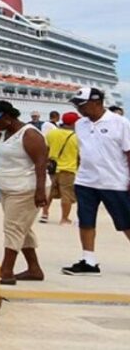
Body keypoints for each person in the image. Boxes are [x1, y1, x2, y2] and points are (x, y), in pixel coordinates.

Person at [61, 88, 130, 276]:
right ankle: (89, 261)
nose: (79, 109)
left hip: (114, 181)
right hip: (86, 181)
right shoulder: (80, 124)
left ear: (97, 102)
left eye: (81, 105)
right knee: (86, 220)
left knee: (126, 222)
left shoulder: (120, 123)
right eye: (76, 105)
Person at [0, 100, 48, 285]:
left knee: (12, 228)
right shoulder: (4, 134)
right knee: (22, 228)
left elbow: (41, 163)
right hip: (7, 188)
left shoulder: (29, 134)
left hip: (25, 189)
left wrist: (40, 191)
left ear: (8, 117)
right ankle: (34, 269)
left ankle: (7, 270)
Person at [43, 112, 80, 225]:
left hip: (52, 168)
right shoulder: (77, 137)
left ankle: (44, 214)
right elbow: (80, 156)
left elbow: (45, 149)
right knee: (66, 195)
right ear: (74, 123)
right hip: (68, 170)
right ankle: (64, 218)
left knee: (49, 193)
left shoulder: (52, 134)